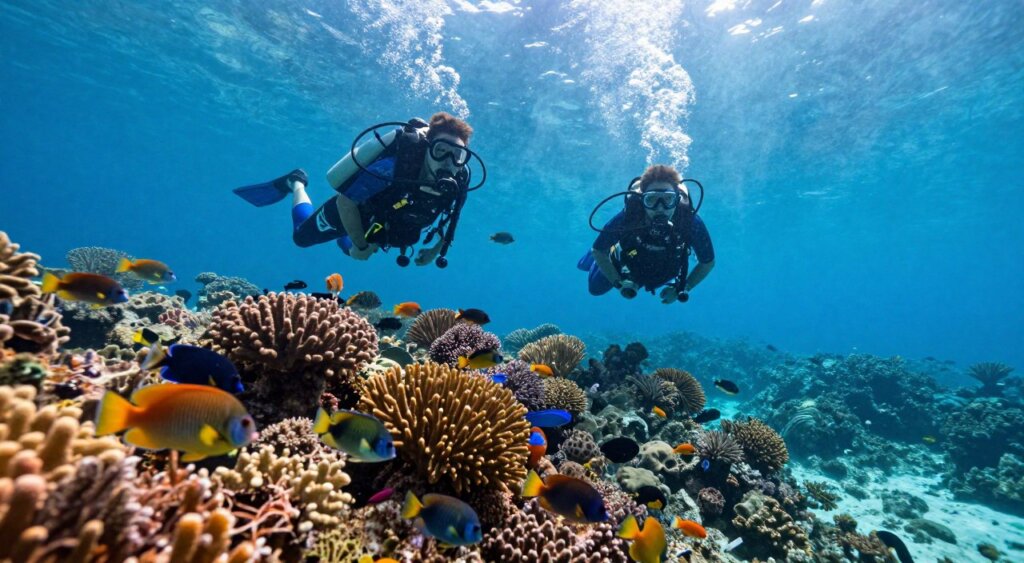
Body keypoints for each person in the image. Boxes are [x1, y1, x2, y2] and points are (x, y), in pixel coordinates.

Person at [235, 112, 481, 267]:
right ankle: (296, 182)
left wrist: (434, 250)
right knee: (301, 237)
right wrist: (361, 246)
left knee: (350, 251)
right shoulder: (394, 168)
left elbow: (452, 218)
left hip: (379, 229)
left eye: (457, 154)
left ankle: (352, 244)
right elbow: (345, 202)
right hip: (349, 212)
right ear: (428, 148)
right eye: (440, 151)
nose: (448, 161)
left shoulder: (460, 179)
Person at [579, 164, 715, 303]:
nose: (660, 208)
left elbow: (707, 263)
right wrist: (619, 283)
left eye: (668, 199)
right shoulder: (630, 216)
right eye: (652, 200)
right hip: (630, 256)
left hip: (665, 266)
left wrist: (684, 286)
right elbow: (598, 250)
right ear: (642, 200)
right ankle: (597, 257)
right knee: (595, 289)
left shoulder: (689, 221)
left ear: (677, 200)